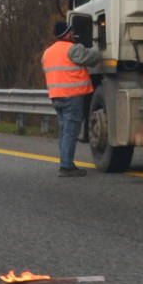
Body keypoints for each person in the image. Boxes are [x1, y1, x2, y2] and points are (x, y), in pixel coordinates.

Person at [42, 21, 101, 177]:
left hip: (56, 96)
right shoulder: (72, 49)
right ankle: (66, 166)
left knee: (64, 131)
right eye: (71, 32)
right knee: (70, 131)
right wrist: (98, 48)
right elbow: (93, 57)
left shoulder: (47, 52)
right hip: (72, 95)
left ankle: (66, 162)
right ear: (67, 33)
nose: (73, 34)